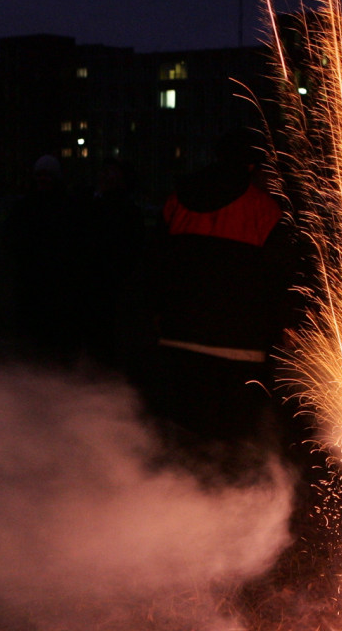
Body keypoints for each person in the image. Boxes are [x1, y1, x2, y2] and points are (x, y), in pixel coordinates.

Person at [143, 129, 297, 456]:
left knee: (183, 439)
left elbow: (154, 267)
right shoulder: (264, 211)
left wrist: (156, 318)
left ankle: (172, 499)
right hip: (239, 349)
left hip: (178, 338)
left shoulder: (176, 201)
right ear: (253, 166)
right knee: (232, 443)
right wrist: (281, 332)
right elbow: (279, 280)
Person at [5, 155, 88, 366]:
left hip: (59, 287)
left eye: (47, 175)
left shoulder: (67, 208)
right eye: (40, 175)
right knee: (34, 343)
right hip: (32, 286)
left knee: (54, 342)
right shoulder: (26, 208)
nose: (43, 179)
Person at [81, 158, 146, 373]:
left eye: (111, 173)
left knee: (105, 334)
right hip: (101, 280)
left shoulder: (117, 210)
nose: (105, 176)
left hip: (108, 281)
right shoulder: (99, 206)